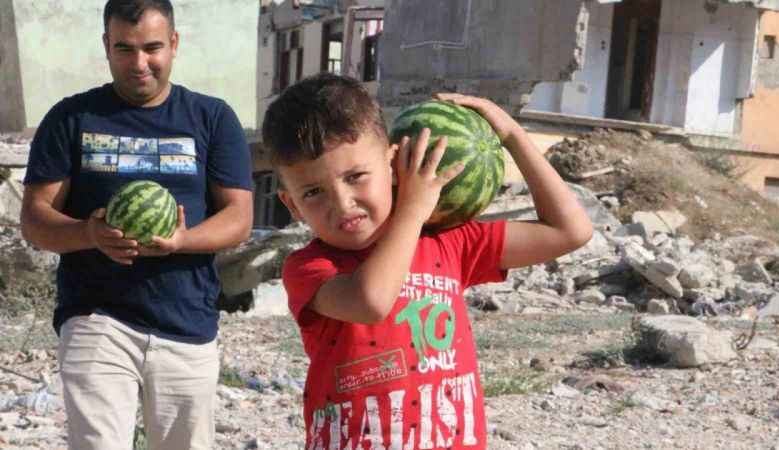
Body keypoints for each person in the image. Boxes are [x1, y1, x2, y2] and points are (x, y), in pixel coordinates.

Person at [261, 72, 593, 449]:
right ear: (292, 206)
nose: (342, 202)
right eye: (314, 192)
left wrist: (513, 136)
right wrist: (414, 209)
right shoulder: (309, 267)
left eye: (356, 176)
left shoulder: (448, 243)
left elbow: (571, 230)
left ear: (393, 163)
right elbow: (370, 300)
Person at [19, 1, 253, 449]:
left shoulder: (212, 118)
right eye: (124, 48)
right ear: (106, 46)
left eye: (152, 48)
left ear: (174, 44)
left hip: (187, 320)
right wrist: (89, 234)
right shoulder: (71, 119)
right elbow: (35, 219)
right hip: (97, 318)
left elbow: (239, 218)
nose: (139, 63)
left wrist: (184, 240)